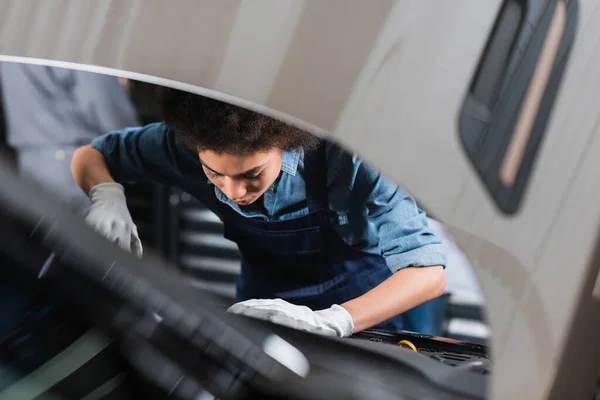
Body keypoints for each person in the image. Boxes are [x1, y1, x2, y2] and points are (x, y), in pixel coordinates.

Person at [71, 88, 447, 337]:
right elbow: (92, 155)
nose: (234, 192)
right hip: (261, 301)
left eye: (252, 175)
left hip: (359, 306)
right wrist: (106, 195)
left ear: (283, 143)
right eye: (214, 174)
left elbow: (428, 273)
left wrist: (332, 321)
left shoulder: (350, 156)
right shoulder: (180, 148)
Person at [0, 62, 140, 211]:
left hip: (30, 163)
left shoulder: (12, 45)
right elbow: (103, 102)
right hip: (75, 166)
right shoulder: (79, 45)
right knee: (84, 233)